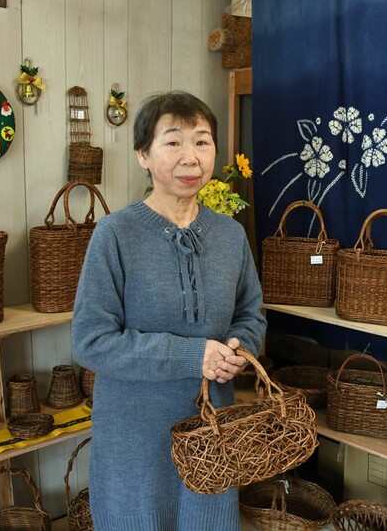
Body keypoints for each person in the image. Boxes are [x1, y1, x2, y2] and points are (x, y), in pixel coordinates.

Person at [72, 90, 266, 530]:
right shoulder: (115, 235)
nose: (190, 157)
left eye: (202, 141)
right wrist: (191, 355)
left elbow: (251, 314)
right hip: (134, 437)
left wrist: (239, 347)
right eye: (173, 142)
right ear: (143, 154)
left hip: (211, 430)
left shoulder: (230, 235)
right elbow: (91, 342)